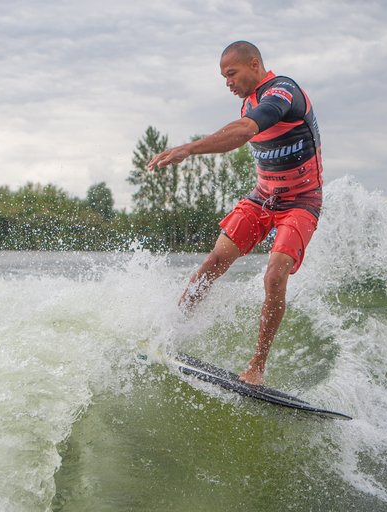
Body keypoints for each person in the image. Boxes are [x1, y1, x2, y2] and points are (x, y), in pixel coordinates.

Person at [146, 41, 323, 385]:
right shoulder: (248, 101)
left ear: (254, 64)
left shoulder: (283, 91)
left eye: (231, 73)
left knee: (274, 275)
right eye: (223, 76)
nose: (227, 81)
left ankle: (257, 367)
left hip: (301, 202)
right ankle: (170, 333)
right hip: (262, 199)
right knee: (214, 262)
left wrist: (189, 149)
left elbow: (243, 132)